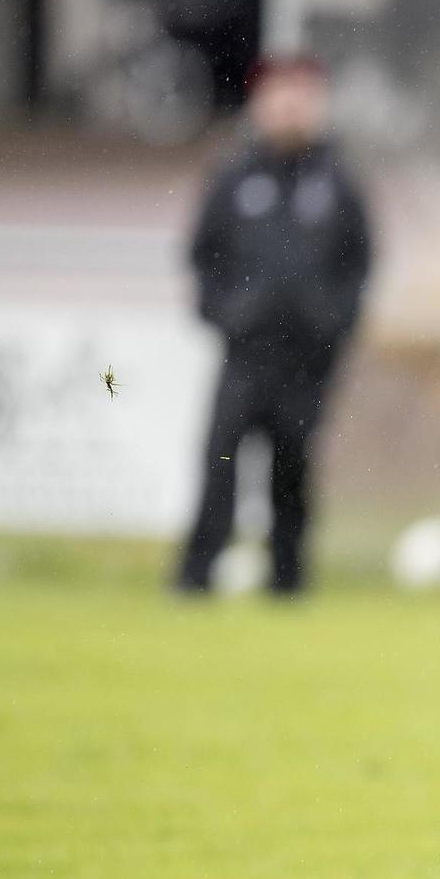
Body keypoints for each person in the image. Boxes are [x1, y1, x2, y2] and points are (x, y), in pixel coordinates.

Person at [175, 54, 372, 596]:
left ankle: (287, 581)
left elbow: (360, 263)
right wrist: (226, 315)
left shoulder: (337, 181)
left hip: (308, 357)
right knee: (220, 460)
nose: (290, 106)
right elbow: (201, 255)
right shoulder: (234, 176)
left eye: (302, 95)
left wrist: (334, 323)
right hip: (244, 352)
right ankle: (195, 577)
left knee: (293, 466)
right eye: (279, 95)